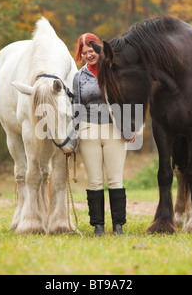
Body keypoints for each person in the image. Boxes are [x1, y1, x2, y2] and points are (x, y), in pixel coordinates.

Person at [73, 33, 128, 236]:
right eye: (84, 52)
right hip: (88, 130)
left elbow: (126, 99)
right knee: (94, 180)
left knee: (115, 179)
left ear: (99, 49)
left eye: (91, 50)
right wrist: (73, 135)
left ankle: (118, 225)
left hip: (114, 128)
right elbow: (76, 106)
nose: (88, 55)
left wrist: (130, 126)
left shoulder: (115, 70)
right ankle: (98, 226)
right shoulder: (79, 76)